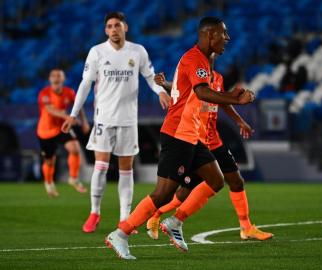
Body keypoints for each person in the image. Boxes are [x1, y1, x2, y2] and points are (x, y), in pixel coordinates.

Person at [105, 16, 255, 260]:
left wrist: (230, 96)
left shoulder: (203, 61)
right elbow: (202, 92)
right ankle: (120, 234)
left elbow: (196, 92)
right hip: (177, 134)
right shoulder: (195, 58)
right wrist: (236, 99)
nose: (226, 38)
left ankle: (174, 222)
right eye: (223, 33)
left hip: (191, 135)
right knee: (163, 194)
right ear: (209, 35)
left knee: (216, 180)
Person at [61, 12, 171, 233]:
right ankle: (94, 212)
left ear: (125, 27)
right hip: (103, 119)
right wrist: (73, 114)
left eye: (117, 25)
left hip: (128, 120)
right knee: (100, 167)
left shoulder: (137, 51)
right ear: (105, 30)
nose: (114, 29)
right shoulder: (97, 52)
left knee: (126, 169)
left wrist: (160, 91)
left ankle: (124, 218)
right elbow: (85, 84)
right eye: (110, 26)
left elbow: (150, 77)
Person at [146, 54, 272, 241]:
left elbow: (223, 102)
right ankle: (156, 215)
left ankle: (246, 227)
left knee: (236, 181)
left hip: (214, 141)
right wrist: (165, 84)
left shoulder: (218, 78)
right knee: (184, 190)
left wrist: (240, 121)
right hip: (195, 142)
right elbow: (179, 90)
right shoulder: (194, 74)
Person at [37, 68, 89, 197]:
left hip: (62, 128)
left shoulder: (69, 92)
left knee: (75, 148)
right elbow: (50, 109)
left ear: (63, 78)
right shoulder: (44, 93)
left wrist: (84, 121)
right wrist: (67, 117)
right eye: (53, 75)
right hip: (45, 132)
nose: (56, 77)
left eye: (58, 75)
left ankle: (73, 178)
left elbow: (79, 105)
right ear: (50, 79)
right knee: (50, 161)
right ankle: (49, 183)